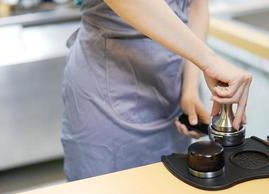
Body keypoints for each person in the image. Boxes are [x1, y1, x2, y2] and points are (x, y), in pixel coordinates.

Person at [61, 0, 252, 181]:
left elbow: (197, 5)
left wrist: (190, 85)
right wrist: (209, 61)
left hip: (171, 86)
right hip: (107, 90)